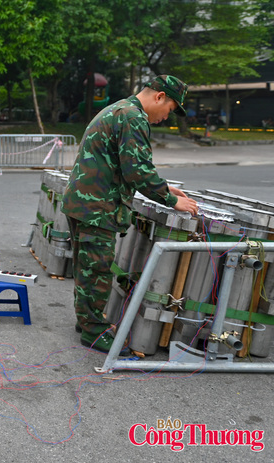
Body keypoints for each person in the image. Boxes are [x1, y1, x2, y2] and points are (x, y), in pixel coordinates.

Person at [61, 75, 199, 354]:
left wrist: (164, 185)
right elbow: (137, 171)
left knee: (87, 267)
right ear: (159, 96)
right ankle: (93, 331)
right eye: (170, 109)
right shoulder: (133, 117)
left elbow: (123, 163)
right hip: (96, 207)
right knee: (97, 269)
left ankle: (87, 320)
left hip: (84, 202)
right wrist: (171, 200)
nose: (166, 116)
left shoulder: (120, 108)